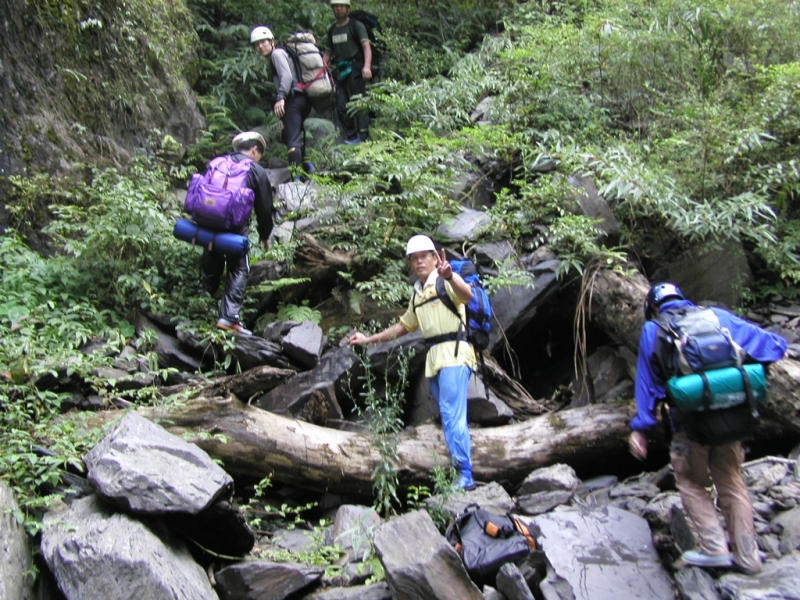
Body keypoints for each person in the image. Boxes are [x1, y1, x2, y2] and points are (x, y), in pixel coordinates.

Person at [629, 282, 787, 575]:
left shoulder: (653, 330)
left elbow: (647, 385)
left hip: (688, 425)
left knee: (691, 482)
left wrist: (641, 428)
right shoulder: (716, 317)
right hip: (732, 418)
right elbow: (771, 345)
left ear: (652, 307)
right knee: (731, 480)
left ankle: (714, 549)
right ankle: (748, 556)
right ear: (682, 298)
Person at [348, 235, 477, 490]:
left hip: (455, 353)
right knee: (447, 414)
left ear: (433, 257)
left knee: (452, 414)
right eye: (414, 259)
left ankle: (466, 474)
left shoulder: (445, 280)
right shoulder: (418, 294)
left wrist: (450, 276)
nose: (419, 262)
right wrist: (367, 340)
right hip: (435, 358)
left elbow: (468, 296)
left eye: (423, 257)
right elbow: (403, 326)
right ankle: (458, 469)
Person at [201, 131, 274, 336]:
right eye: (259, 154)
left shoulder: (216, 163)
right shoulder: (255, 169)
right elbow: (264, 208)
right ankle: (229, 318)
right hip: (235, 227)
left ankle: (202, 303)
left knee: (212, 257)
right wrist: (265, 234)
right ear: (254, 150)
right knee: (239, 268)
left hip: (209, 222)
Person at [250, 25, 314, 178]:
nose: (260, 46)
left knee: (292, 139)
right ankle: (308, 167)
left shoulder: (277, 54)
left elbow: (286, 77)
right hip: (302, 99)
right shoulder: (281, 53)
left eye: (263, 42)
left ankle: (296, 179)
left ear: (272, 41)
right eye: (257, 44)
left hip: (294, 99)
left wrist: (281, 97)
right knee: (289, 134)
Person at [323, 0, 372, 144]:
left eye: (341, 6)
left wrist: (367, 66)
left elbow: (366, 47)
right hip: (339, 71)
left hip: (355, 68)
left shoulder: (356, 26)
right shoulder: (332, 30)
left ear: (347, 8)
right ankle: (351, 136)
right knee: (341, 105)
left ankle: (363, 136)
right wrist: (320, 70)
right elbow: (327, 53)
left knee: (358, 102)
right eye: (335, 7)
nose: (338, 9)